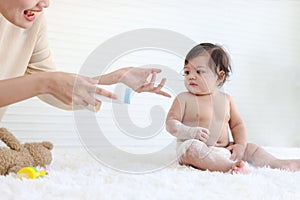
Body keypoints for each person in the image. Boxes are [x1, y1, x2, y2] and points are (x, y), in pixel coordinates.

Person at [0, 0, 171, 121]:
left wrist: (114, 80)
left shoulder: (33, 21)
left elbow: (56, 88)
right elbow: (47, 82)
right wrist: (46, 82)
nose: (45, 3)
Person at [165, 43, 300, 174]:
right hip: (196, 148)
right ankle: (230, 166)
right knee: (191, 149)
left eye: (199, 71)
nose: (191, 76)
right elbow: (170, 123)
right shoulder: (183, 99)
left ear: (220, 76)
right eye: (187, 71)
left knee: (251, 149)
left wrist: (240, 146)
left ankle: (279, 164)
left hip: (225, 148)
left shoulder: (226, 99)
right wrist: (189, 132)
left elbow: (237, 124)